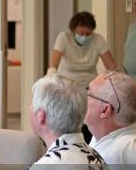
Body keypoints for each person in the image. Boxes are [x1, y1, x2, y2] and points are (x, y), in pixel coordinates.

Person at [48, 11, 118, 142]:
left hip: (89, 86)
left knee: (89, 119)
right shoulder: (64, 37)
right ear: (74, 30)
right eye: (81, 33)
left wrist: (110, 79)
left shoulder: (98, 40)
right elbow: (54, 62)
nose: (85, 36)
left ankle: (88, 145)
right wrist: (51, 75)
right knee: (69, 118)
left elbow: (111, 66)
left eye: (88, 34)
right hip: (67, 86)